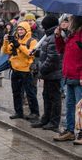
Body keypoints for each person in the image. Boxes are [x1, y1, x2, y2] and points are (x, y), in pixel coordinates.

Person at [2, 21, 39, 121]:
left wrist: (19, 45)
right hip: (15, 70)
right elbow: (6, 51)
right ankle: (18, 112)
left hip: (26, 71)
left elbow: (30, 53)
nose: (20, 31)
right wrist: (5, 41)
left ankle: (34, 113)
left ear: (26, 30)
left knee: (30, 92)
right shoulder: (15, 39)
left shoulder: (32, 41)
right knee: (16, 92)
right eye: (18, 29)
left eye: (22, 29)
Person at [54, 14, 82, 144]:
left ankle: (81, 134)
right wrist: (58, 37)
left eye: (69, 20)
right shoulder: (72, 36)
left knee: (80, 108)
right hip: (69, 76)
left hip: (79, 77)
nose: (67, 23)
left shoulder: (80, 36)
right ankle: (70, 131)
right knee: (70, 106)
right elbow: (62, 50)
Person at [31, 15, 62, 132]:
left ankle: (54, 122)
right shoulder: (49, 36)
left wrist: (41, 69)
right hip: (49, 74)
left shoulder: (53, 37)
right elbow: (46, 52)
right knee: (46, 96)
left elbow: (53, 58)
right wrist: (36, 53)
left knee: (54, 98)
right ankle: (46, 118)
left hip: (53, 73)